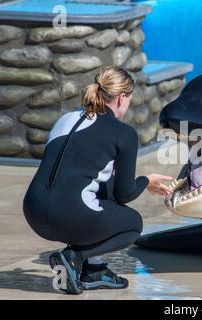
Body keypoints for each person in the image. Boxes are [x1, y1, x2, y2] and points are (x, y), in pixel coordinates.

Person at [23, 66, 173, 294]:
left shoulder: (66, 119)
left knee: (101, 190)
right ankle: (74, 257)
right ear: (122, 98)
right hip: (67, 217)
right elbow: (125, 194)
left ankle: (95, 271)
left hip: (33, 212)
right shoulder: (124, 134)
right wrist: (146, 180)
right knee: (133, 224)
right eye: (129, 99)